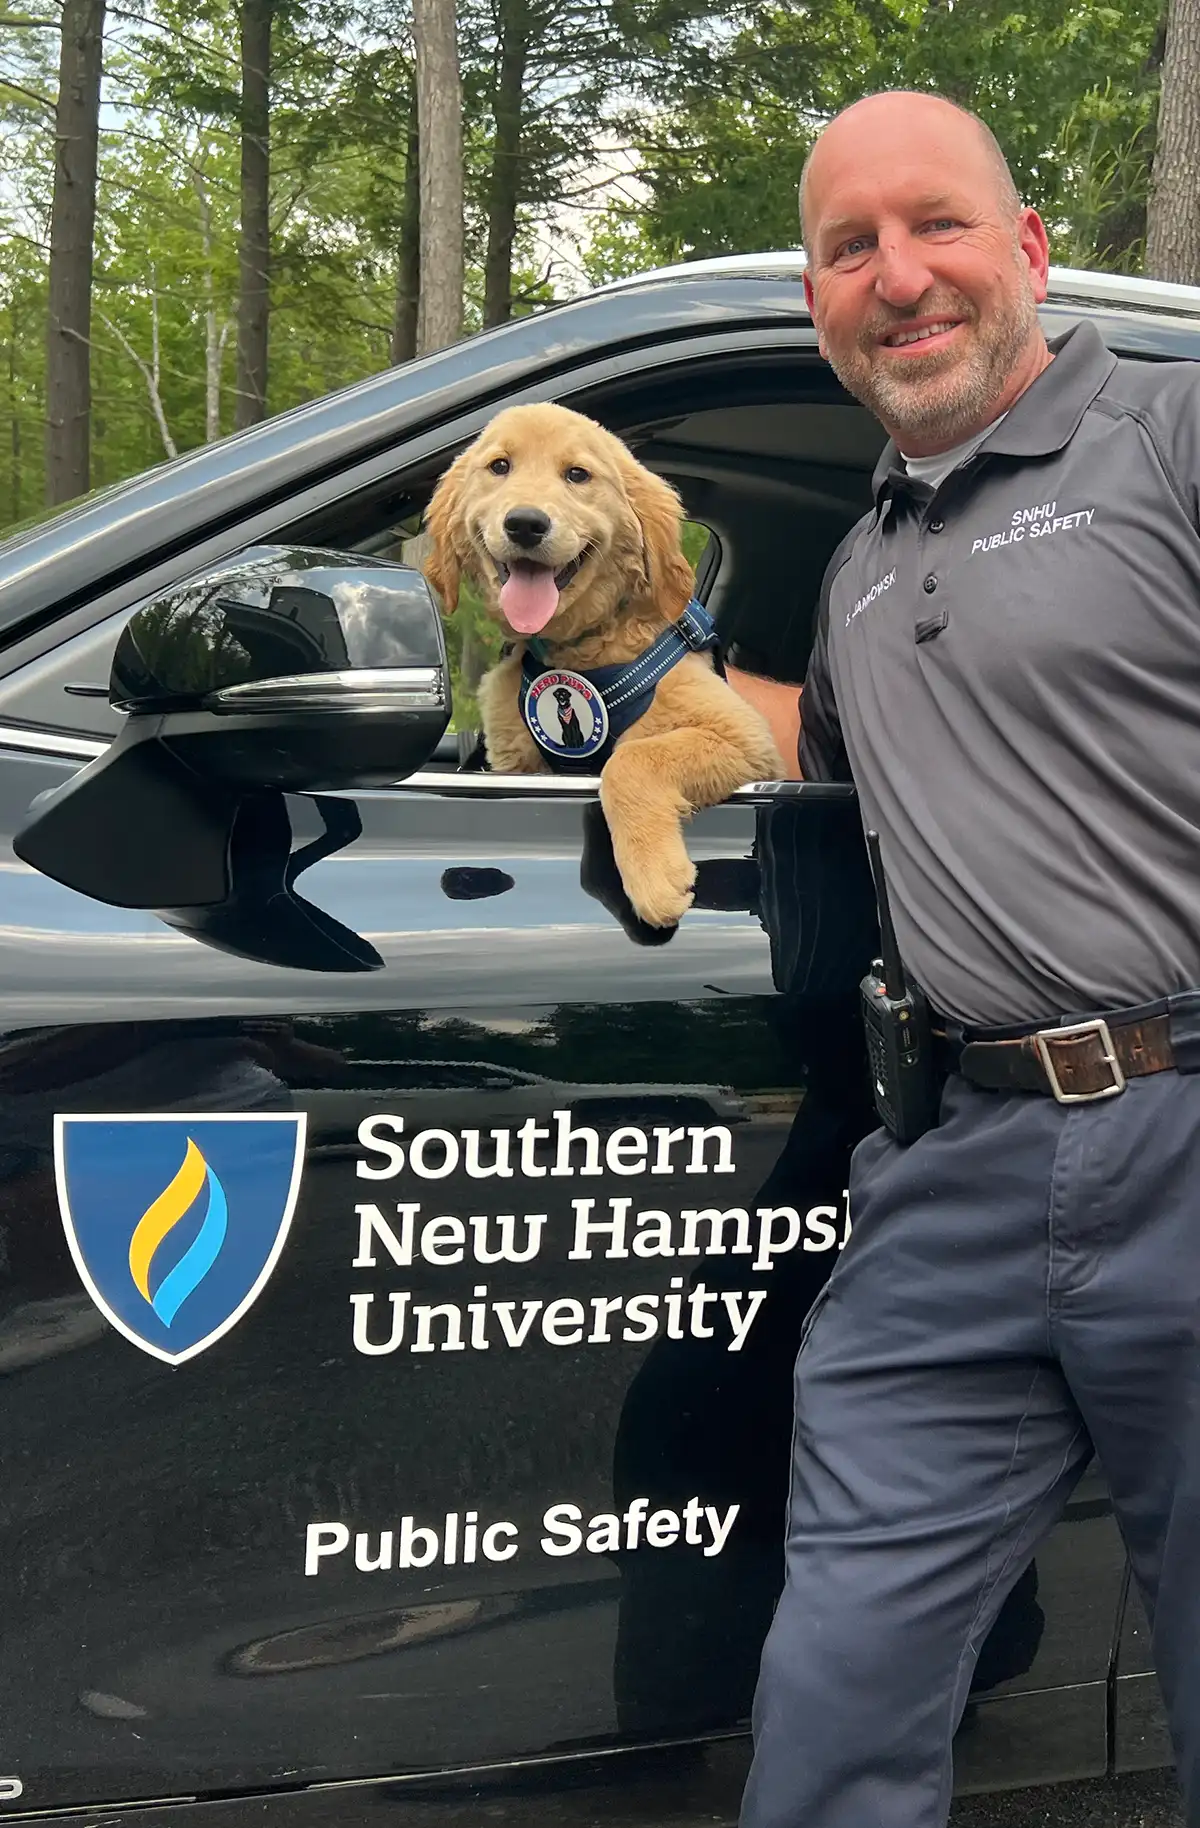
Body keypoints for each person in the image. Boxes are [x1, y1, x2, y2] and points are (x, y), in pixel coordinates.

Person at [732, 88, 1200, 1828]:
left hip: (1186, 1118)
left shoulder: (1169, 439)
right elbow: (819, 774)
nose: (898, 275)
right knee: (836, 1699)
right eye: (850, 247)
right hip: (957, 1169)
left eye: (937, 225)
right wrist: (578, 714)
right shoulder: (855, 569)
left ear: (1027, 250)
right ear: (816, 301)